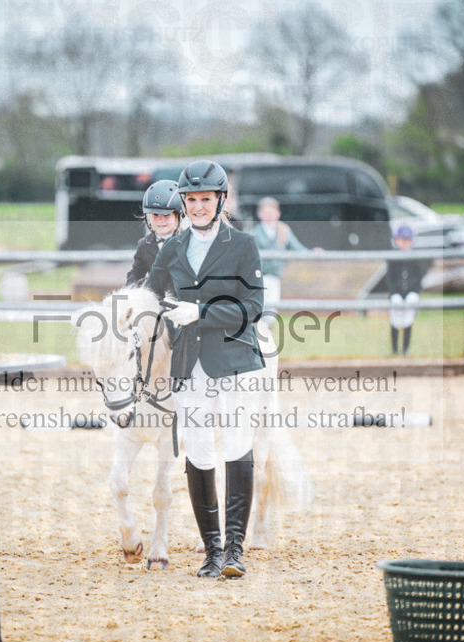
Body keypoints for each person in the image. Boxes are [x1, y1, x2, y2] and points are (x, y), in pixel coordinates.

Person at [145, 160, 265, 579]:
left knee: (235, 446)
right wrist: (150, 313)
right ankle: (211, 552)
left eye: (205, 200)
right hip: (188, 364)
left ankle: (235, 550)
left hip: (233, 361)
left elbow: (252, 307)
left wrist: (199, 312)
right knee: (197, 451)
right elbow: (149, 294)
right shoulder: (173, 248)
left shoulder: (243, 244)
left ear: (220, 200)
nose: (197, 207)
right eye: (191, 200)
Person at [249, 196, 319, 314]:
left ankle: (264, 330)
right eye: (266, 212)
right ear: (260, 214)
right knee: (258, 310)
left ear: (278, 214)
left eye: (272, 212)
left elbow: (297, 248)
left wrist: (312, 253)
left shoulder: (284, 231)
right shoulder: (254, 233)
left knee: (272, 311)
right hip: (258, 278)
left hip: (275, 276)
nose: (269, 216)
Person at [125, 179, 184, 286]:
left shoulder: (189, 241)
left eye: (166, 215)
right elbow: (136, 273)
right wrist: (132, 288)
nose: (160, 221)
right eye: (155, 215)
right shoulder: (144, 245)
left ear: (179, 215)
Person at [385, 224, 426, 356]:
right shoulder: (393, 257)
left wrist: (415, 291)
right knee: (395, 320)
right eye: (402, 240)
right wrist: (393, 292)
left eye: (408, 240)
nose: (405, 243)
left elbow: (419, 277)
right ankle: (394, 349)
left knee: (408, 319)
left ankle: (405, 349)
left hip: (410, 292)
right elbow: (390, 278)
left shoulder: (415, 257)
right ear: (396, 240)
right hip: (396, 293)